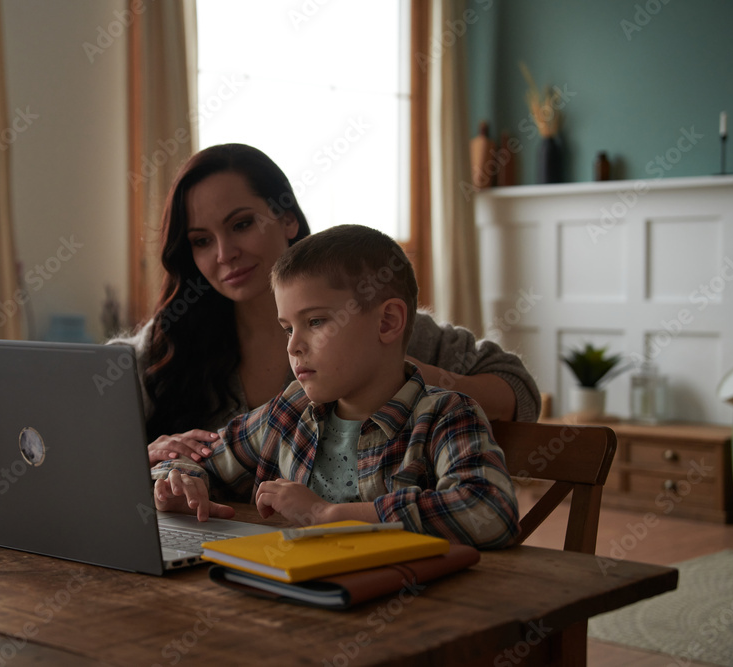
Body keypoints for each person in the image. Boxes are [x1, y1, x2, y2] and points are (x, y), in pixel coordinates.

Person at [108, 143, 540, 466]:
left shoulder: (368, 321)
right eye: (201, 240)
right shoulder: (167, 342)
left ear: (287, 218)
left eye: (241, 224)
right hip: (201, 564)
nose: (224, 253)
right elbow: (74, 431)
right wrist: (139, 456)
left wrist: (409, 376)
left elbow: (518, 392)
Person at [151, 225, 520, 549]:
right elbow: (195, 460)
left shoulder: (445, 416)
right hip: (291, 601)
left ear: (388, 322)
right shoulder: (290, 410)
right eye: (287, 328)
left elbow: (490, 510)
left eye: (314, 321)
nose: (293, 346)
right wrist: (181, 484)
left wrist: (330, 514)